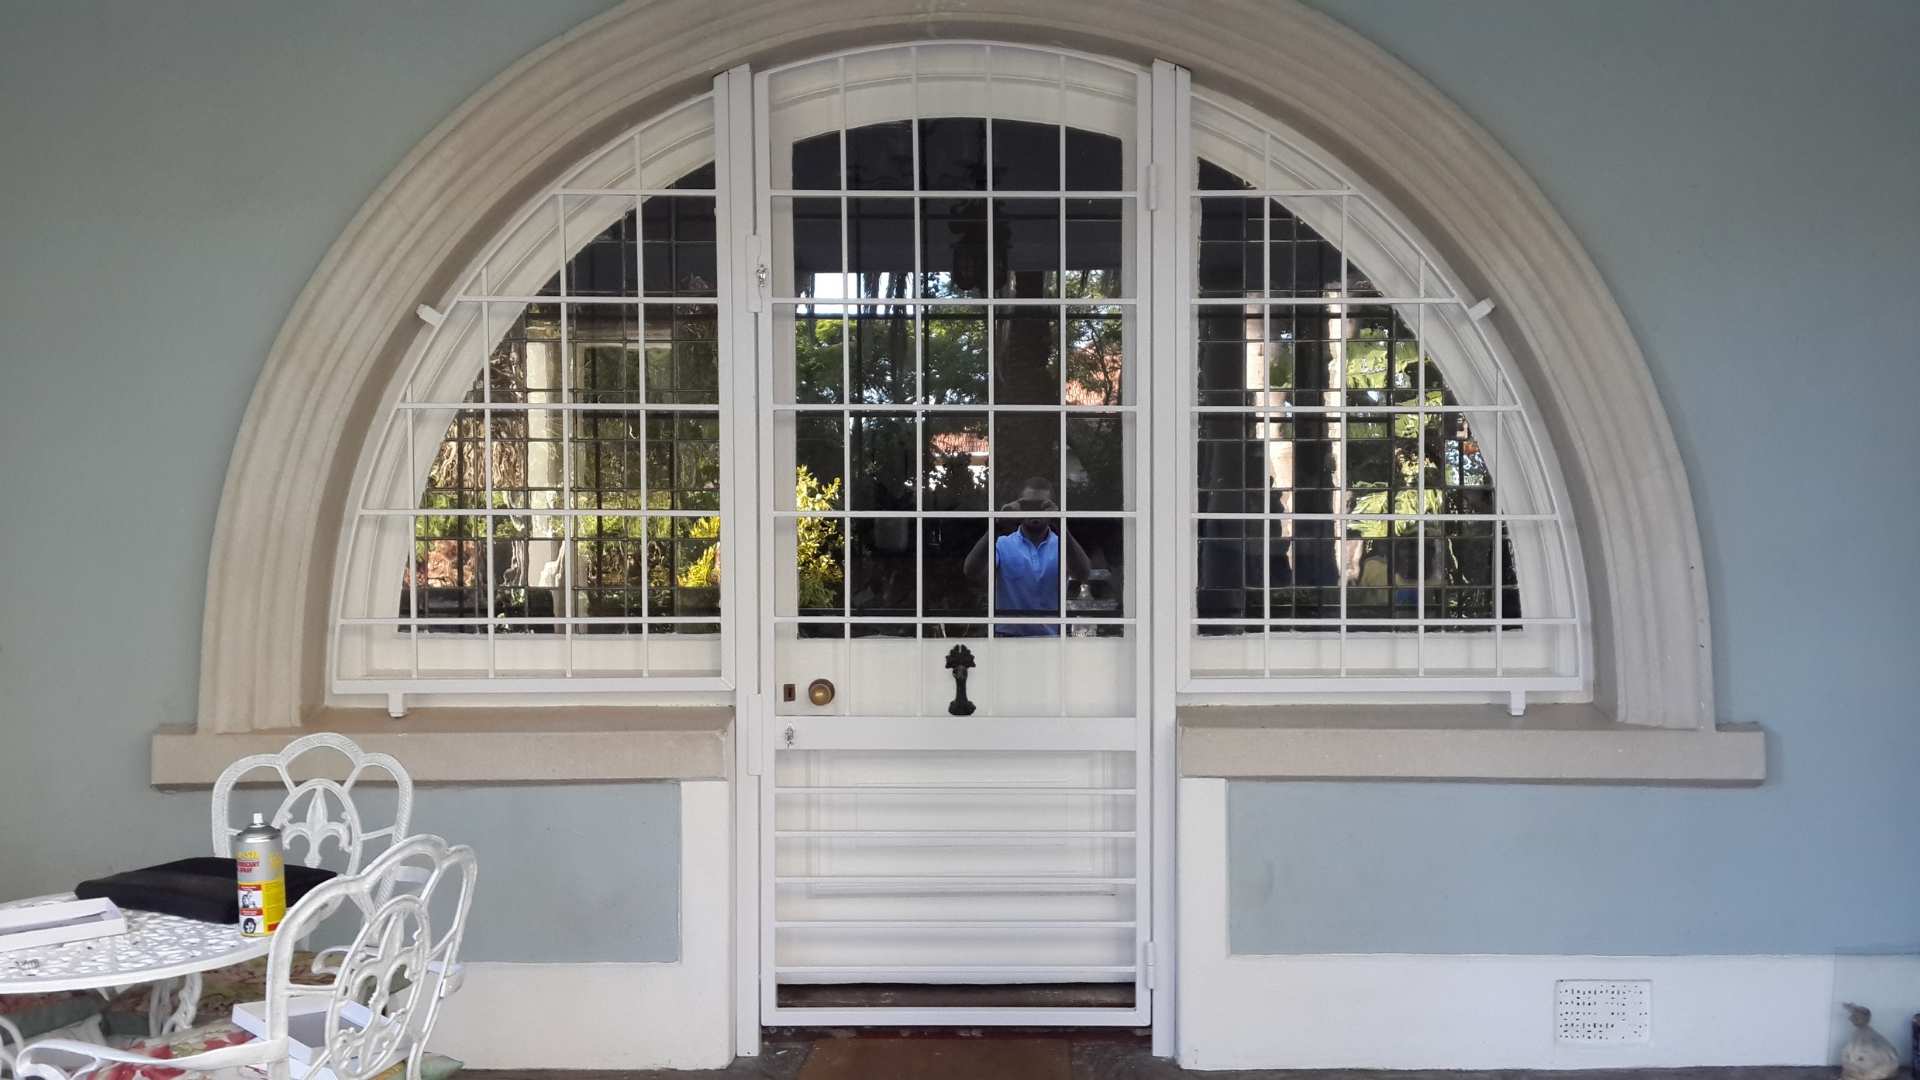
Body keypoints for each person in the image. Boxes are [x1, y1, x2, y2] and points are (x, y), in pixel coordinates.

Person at [963, 476, 1093, 637]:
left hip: (1051, 641)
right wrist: (997, 524)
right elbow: (971, 571)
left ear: (1052, 508)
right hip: (1007, 641)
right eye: (1029, 505)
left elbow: (1083, 573)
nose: (1035, 511)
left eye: (1041, 505)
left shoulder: (1063, 545)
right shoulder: (1002, 544)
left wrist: (1061, 523)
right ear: (1018, 505)